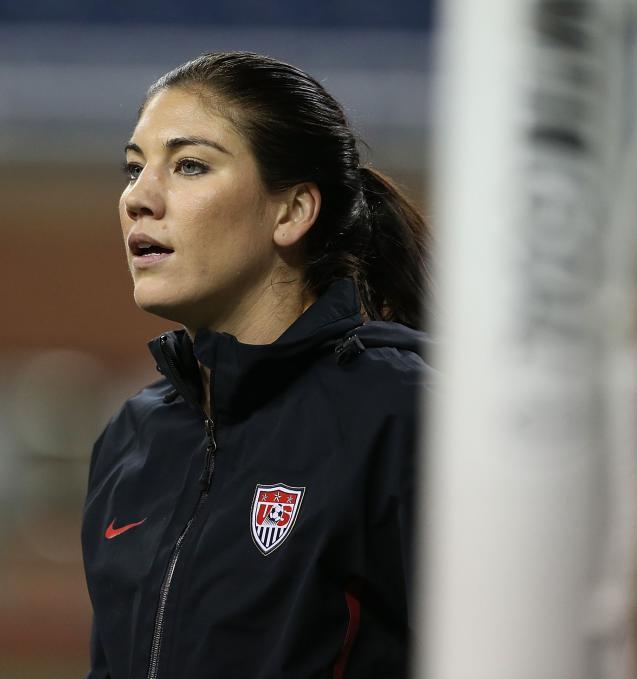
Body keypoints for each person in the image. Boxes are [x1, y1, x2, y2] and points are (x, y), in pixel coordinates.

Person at [81, 51, 431, 679]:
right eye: (134, 169)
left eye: (189, 165)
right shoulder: (131, 441)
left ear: (293, 211)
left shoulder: (401, 414)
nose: (138, 198)